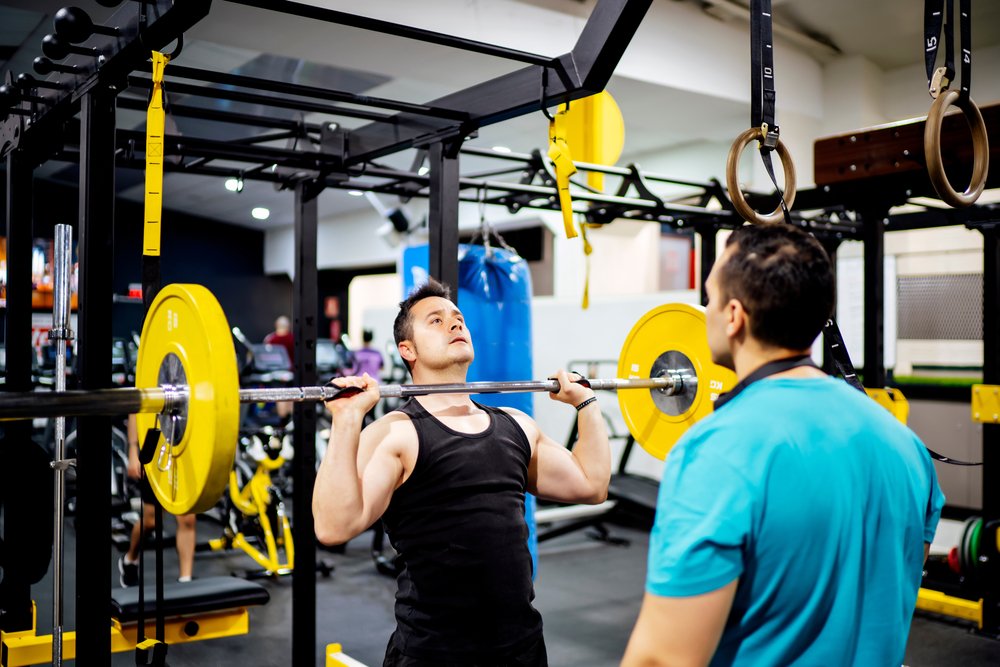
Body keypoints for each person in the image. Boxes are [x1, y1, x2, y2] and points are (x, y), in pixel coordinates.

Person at [622, 223, 945, 666]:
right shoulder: (907, 447)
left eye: (709, 298)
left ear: (733, 315)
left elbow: (662, 658)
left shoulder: (715, 451)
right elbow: (894, 591)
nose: (705, 311)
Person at [313, 279, 610, 666]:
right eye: (435, 321)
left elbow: (592, 484)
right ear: (408, 350)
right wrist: (348, 419)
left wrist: (586, 403)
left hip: (522, 649)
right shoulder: (397, 433)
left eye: (458, 319)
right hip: (433, 654)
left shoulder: (516, 425)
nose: (455, 325)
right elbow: (333, 527)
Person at [118, 414, 196, 586]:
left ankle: (186, 580)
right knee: (151, 521)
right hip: (155, 449)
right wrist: (133, 451)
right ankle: (130, 559)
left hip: (184, 450)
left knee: (187, 520)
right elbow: (135, 412)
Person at [264, 315, 295, 420]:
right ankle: (290, 422)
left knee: (281, 396)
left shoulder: (271, 340)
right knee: (292, 395)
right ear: (289, 326)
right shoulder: (293, 339)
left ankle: (283, 421)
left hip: (276, 374)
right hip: (292, 373)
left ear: (276, 325)